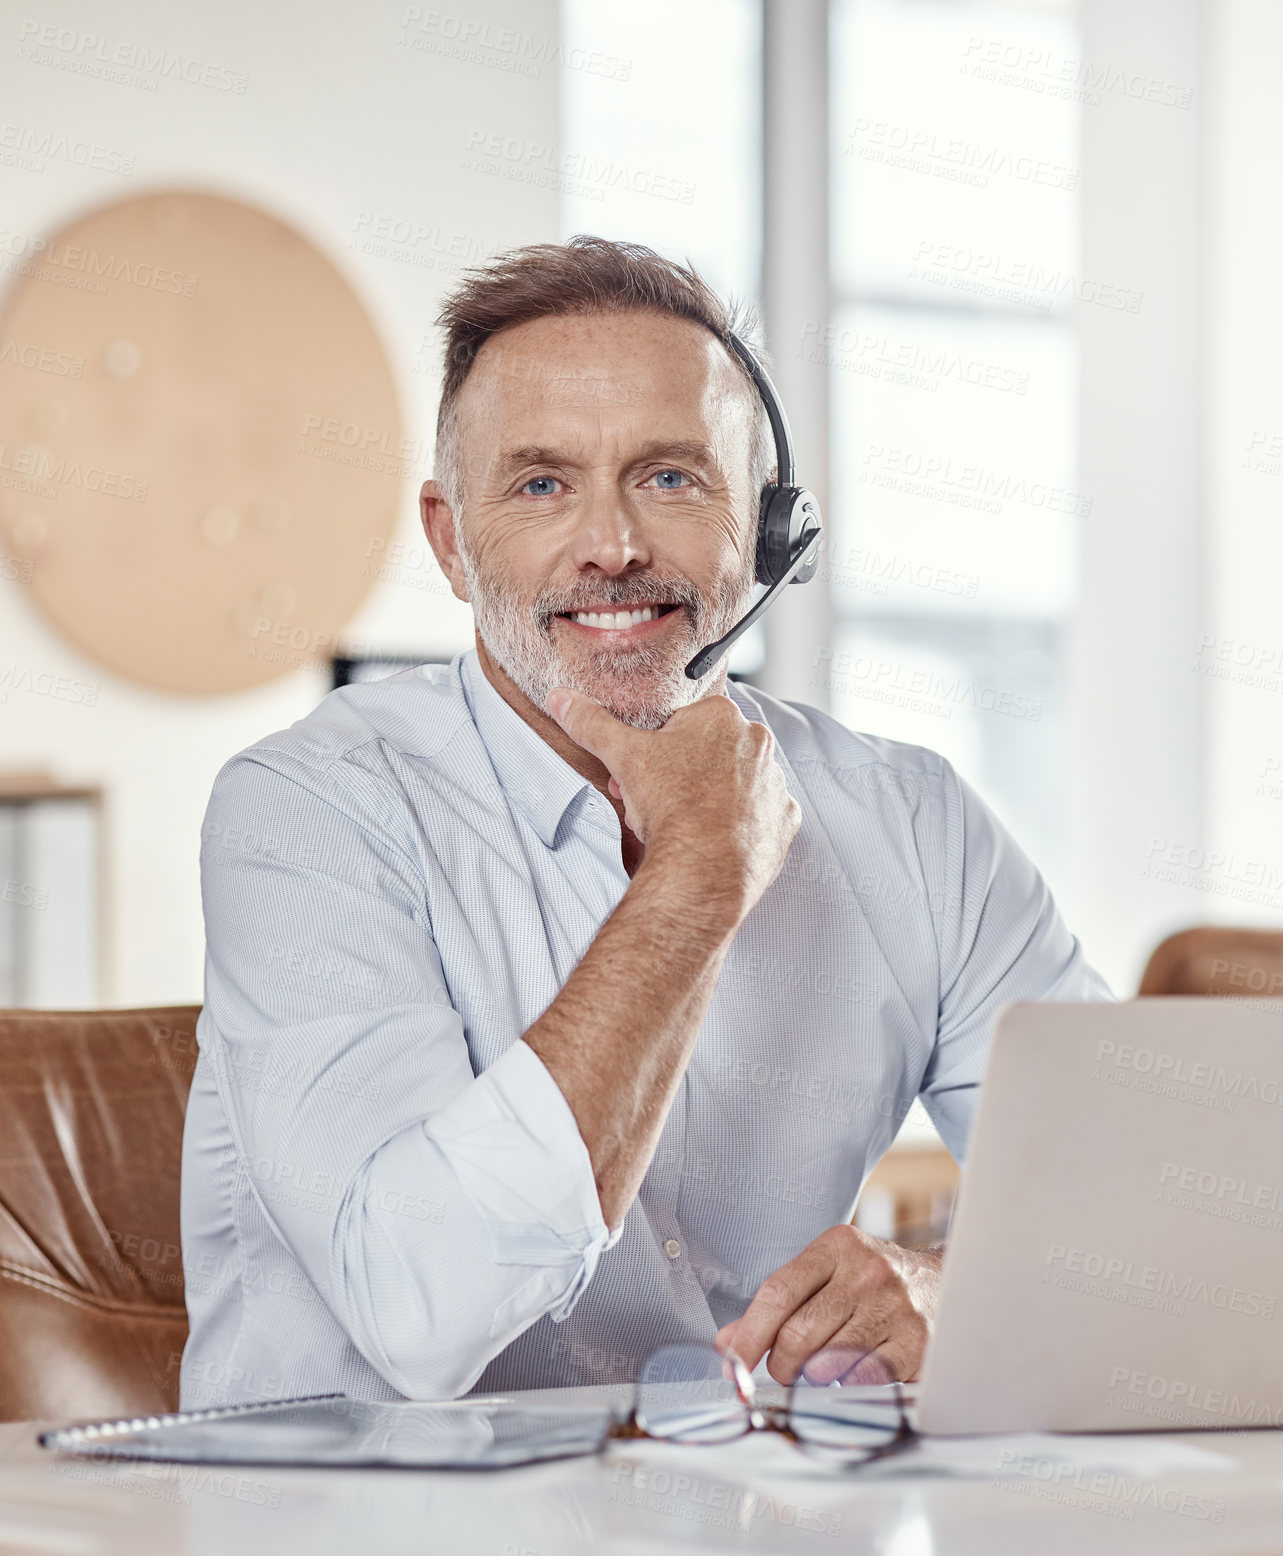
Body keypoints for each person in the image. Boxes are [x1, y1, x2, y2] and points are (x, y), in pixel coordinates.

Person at [179, 235, 1113, 1410]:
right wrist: (699, 872)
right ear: (450, 542)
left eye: (670, 476)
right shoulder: (307, 811)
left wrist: (945, 1288)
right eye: (540, 483)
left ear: (773, 533)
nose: (611, 545)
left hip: (751, 1511)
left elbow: (1143, 1226)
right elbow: (418, 1309)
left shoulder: (910, 822)